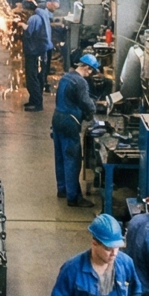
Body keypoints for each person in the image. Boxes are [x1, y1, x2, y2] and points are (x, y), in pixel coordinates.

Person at [53, 53, 97, 205]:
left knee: (60, 156)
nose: (90, 74)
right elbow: (86, 103)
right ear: (86, 67)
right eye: (91, 71)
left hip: (57, 118)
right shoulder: (80, 82)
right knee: (72, 159)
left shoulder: (65, 77)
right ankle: (73, 197)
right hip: (69, 122)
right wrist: (92, 113)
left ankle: (62, 189)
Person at [20, 1, 51, 111]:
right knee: (38, 77)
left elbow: (29, 32)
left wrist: (22, 25)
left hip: (34, 52)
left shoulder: (34, 18)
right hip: (40, 51)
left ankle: (37, 104)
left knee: (32, 78)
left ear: (28, 10)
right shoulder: (42, 16)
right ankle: (33, 100)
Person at [40, 0, 64, 81]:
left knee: (48, 61)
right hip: (44, 43)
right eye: (54, 7)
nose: (55, 9)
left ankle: (45, 78)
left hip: (48, 43)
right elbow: (46, 24)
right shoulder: (43, 13)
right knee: (44, 63)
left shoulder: (50, 13)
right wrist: (56, 25)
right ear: (50, 3)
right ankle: (43, 80)